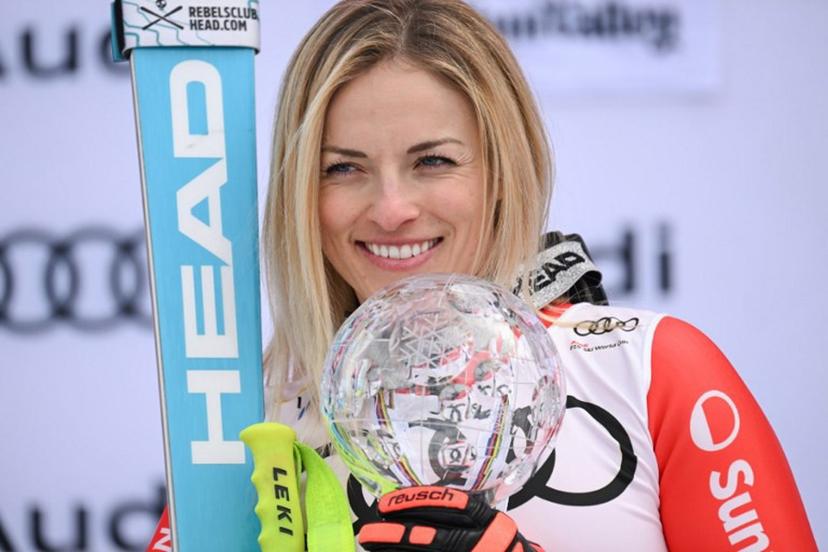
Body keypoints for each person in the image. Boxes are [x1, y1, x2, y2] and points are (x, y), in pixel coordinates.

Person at [149, 1, 817, 550]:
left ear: (502, 172)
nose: (392, 209)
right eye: (343, 168)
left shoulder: (648, 370)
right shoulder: (248, 424)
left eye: (433, 161)